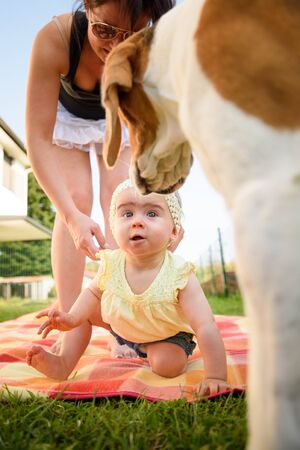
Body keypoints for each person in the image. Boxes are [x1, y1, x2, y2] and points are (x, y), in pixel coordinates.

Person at [25, 0, 175, 356]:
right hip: (68, 120)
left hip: (120, 118)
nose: (115, 47)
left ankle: (124, 321)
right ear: (88, 9)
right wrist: (72, 217)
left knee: (121, 199)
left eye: (133, 35)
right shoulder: (56, 39)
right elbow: (37, 140)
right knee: (76, 199)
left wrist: (168, 209)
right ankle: (71, 319)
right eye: (104, 30)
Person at [26, 179, 229, 396]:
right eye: (128, 214)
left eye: (151, 214)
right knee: (83, 312)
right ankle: (63, 363)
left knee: (167, 366)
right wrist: (72, 318)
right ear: (113, 227)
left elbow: (206, 325)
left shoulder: (179, 273)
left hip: (165, 333)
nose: (137, 222)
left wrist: (215, 376)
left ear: (173, 231)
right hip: (121, 323)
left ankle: (147, 349)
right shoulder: (111, 263)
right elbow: (92, 292)